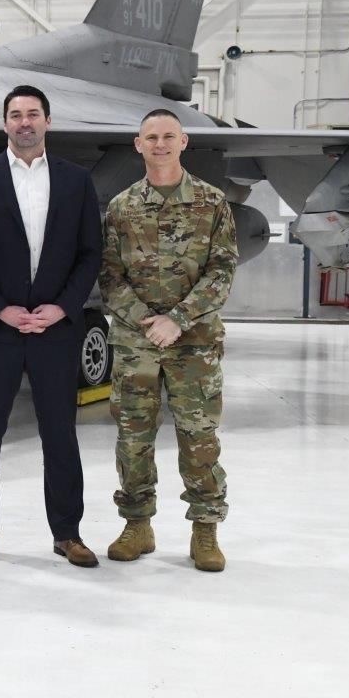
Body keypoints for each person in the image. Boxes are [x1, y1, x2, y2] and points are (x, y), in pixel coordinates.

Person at [0, 85, 103, 568]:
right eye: (15, 115)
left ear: (48, 121)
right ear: (5, 124)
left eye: (33, 114)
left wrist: (63, 307)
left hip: (56, 329)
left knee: (60, 434)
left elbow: (90, 252)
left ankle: (68, 532)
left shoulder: (76, 181)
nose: (24, 123)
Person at [99, 109, 237, 572]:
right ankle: (137, 524)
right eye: (151, 137)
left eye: (168, 137)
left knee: (198, 436)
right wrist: (145, 320)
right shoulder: (121, 208)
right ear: (138, 145)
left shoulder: (212, 202)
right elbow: (109, 277)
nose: (160, 144)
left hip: (194, 341)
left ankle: (205, 530)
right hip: (137, 343)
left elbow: (222, 272)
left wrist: (177, 319)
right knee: (132, 437)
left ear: (183, 143)